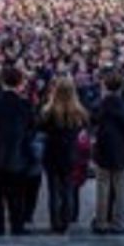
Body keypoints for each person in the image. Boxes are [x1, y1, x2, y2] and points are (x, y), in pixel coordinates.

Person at [0, 66, 35, 236]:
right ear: (20, 82)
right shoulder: (24, 105)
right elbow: (31, 129)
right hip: (18, 154)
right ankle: (17, 225)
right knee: (17, 194)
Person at [38, 77, 88, 234]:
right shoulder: (79, 112)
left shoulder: (49, 111)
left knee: (53, 190)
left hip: (52, 153)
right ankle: (66, 221)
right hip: (71, 153)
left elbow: (41, 128)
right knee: (68, 188)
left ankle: (55, 222)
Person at [91, 71, 124, 234]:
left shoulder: (98, 106)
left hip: (102, 150)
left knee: (102, 188)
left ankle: (101, 221)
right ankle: (120, 222)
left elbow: (93, 126)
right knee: (121, 189)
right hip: (122, 152)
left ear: (104, 86)